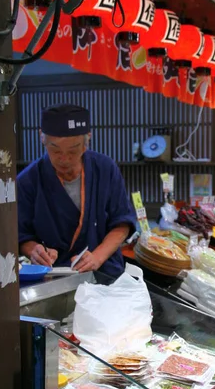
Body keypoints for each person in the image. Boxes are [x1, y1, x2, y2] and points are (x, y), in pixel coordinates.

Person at [17, 104, 136, 278]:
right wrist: (35, 250)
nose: (64, 159)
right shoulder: (28, 181)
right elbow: (21, 234)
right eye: (55, 149)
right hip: (55, 276)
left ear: (87, 140)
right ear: (42, 138)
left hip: (105, 271)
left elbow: (122, 223)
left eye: (73, 150)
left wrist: (97, 257)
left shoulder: (105, 168)